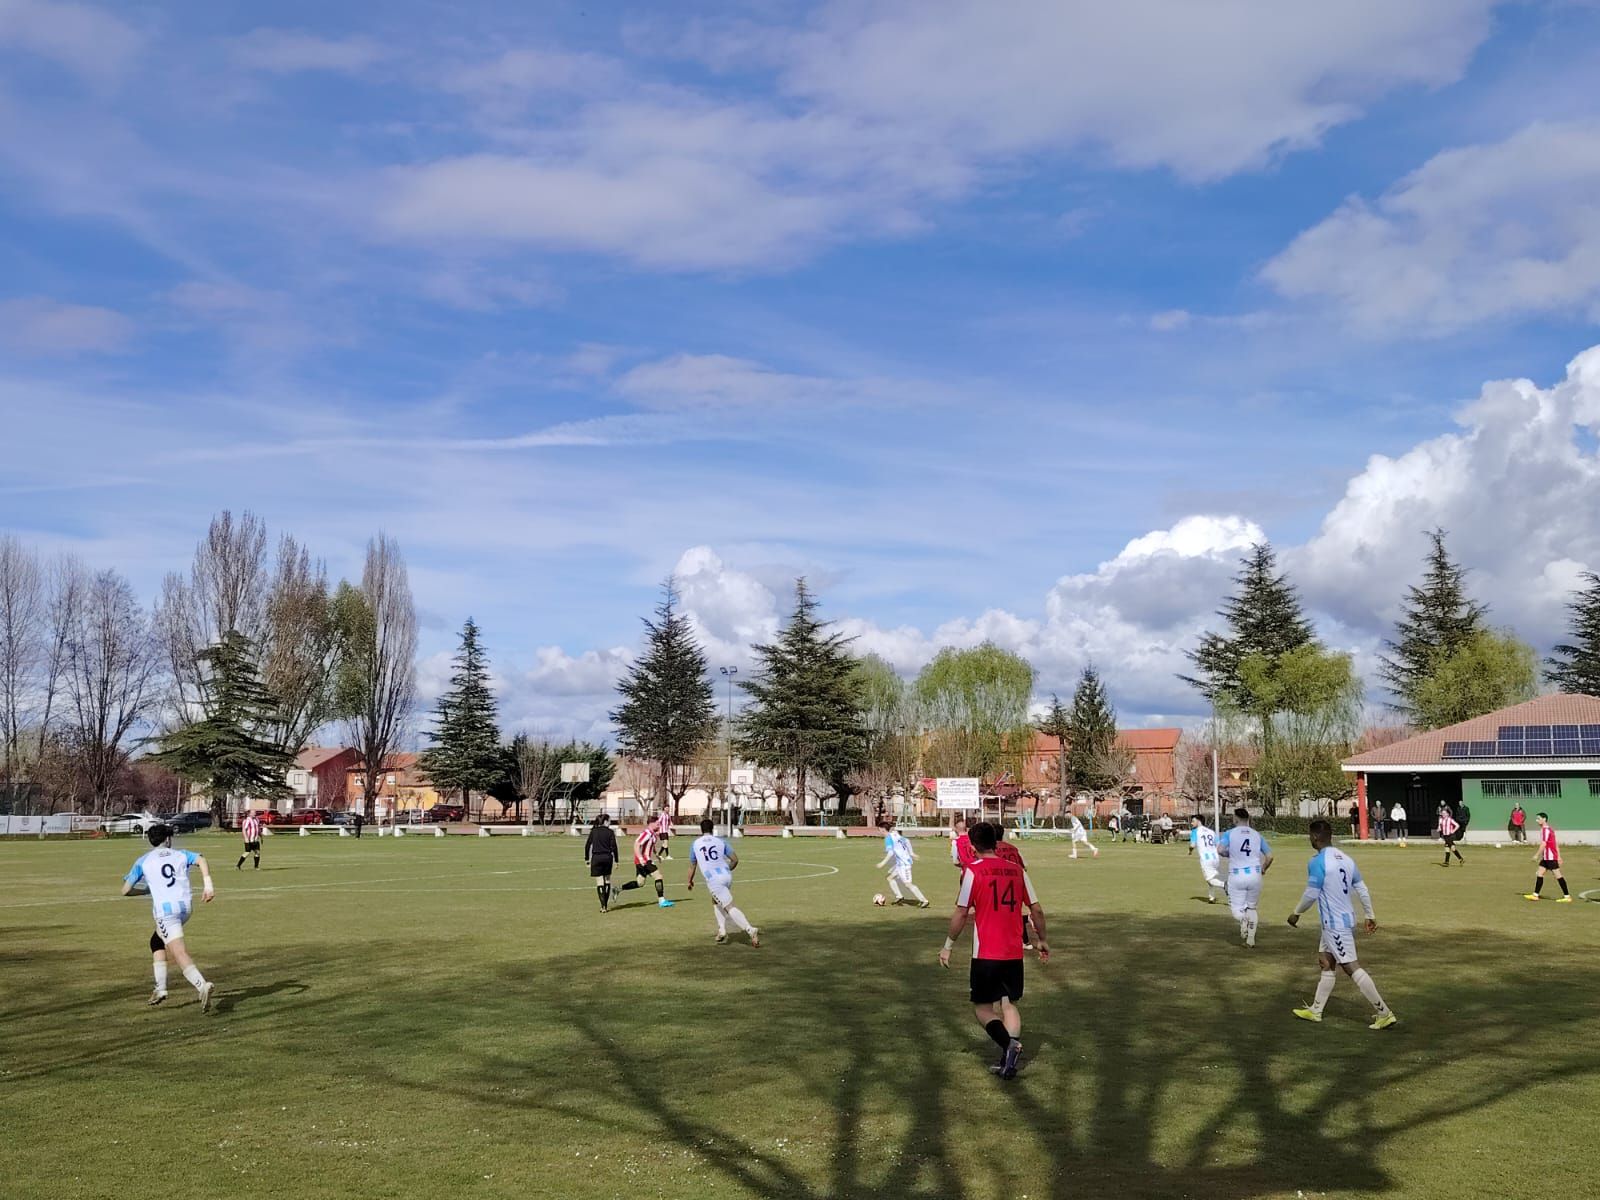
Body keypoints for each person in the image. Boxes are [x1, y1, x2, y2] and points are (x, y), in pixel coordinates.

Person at [938, 820, 1049, 1080]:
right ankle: (1008, 1060)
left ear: (973, 845)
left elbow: (961, 912)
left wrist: (948, 946)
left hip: (986, 952)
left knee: (982, 1008)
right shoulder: (1017, 870)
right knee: (1008, 1003)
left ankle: (1009, 1045)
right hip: (1013, 951)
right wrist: (1042, 939)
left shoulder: (972, 871)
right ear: (996, 842)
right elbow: (1036, 909)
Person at [1287, 819, 1397, 1029]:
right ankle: (1316, 1010)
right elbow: (1362, 888)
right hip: (1345, 919)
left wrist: (1296, 913)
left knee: (1350, 967)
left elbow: (1311, 893)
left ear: (1315, 837)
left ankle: (1384, 1012)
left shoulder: (1318, 861)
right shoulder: (1346, 859)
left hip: (1334, 924)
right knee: (1326, 962)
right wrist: (1369, 914)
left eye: (1310, 836)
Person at [122, 824, 216, 1011]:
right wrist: (208, 886)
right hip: (185, 908)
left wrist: (145, 891)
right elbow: (201, 859)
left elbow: (125, 890)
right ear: (166, 839)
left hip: (166, 914)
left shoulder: (143, 861)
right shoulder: (180, 854)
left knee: (178, 952)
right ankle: (161, 988)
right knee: (156, 942)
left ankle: (201, 985)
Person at [687, 818, 760, 946]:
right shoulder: (721, 841)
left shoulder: (695, 844)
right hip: (726, 875)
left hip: (713, 879)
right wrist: (726, 870)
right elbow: (735, 860)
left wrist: (690, 881)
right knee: (715, 900)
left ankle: (750, 929)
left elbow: (692, 865)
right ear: (712, 828)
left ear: (701, 829)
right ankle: (721, 930)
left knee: (729, 906)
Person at [1217, 806, 1272, 947]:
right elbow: (1270, 856)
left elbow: (1220, 849)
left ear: (1235, 818)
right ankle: (1250, 940)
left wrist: (1229, 854)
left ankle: (1243, 920)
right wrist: (1264, 868)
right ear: (1248, 819)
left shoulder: (1230, 833)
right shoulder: (1257, 835)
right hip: (1255, 874)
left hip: (1237, 874)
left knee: (1237, 910)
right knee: (1252, 908)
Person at [993, 824, 1036, 950]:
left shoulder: (992, 850)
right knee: (1014, 910)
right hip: (1016, 881)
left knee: (1000, 912)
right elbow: (1024, 866)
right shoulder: (1013, 848)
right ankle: (1025, 940)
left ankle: (1015, 939)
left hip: (1000, 883)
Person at [618, 822, 674, 907]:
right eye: (657, 824)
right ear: (651, 824)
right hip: (644, 860)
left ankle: (618, 889)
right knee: (658, 876)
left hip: (644, 860)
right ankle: (661, 901)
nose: (659, 825)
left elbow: (652, 846)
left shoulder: (653, 835)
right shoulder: (647, 833)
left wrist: (657, 855)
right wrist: (640, 858)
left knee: (640, 883)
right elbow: (636, 844)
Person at [877, 818, 929, 907]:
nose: (879, 832)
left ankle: (924, 900)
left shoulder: (888, 839)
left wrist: (883, 863)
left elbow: (891, 852)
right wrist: (911, 853)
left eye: (879, 830)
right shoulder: (895, 834)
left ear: (882, 830)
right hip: (900, 863)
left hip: (904, 864)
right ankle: (899, 896)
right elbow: (907, 841)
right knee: (889, 877)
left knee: (908, 884)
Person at [1524, 813, 1572, 902]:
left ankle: (1567, 896)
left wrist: (1536, 855)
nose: (1536, 820)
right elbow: (1555, 843)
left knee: (1558, 875)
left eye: (1538, 818)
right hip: (1546, 858)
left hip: (1550, 858)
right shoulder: (1548, 829)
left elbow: (1544, 844)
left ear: (1544, 819)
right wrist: (1559, 856)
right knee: (1539, 873)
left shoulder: (1546, 830)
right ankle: (1535, 895)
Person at [584, 813, 620, 912]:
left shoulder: (594, 831)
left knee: (600, 882)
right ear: (605, 821)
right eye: (609, 821)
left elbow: (587, 846)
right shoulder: (610, 832)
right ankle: (606, 905)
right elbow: (614, 847)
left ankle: (603, 906)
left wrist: (587, 859)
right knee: (607, 881)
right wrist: (616, 860)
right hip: (607, 858)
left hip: (596, 858)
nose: (610, 822)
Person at [1188, 814, 1226, 904]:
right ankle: (1211, 897)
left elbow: (1192, 845)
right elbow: (1218, 845)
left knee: (1210, 880)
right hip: (1215, 858)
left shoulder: (1195, 831)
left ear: (1199, 821)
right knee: (1211, 877)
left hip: (1206, 859)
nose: (1191, 823)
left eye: (1193, 821)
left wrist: (1190, 850)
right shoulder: (1211, 831)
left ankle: (1226, 885)